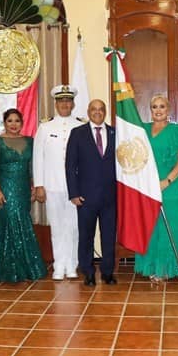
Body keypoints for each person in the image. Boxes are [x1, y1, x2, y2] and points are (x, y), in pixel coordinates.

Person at [0, 109, 47, 282]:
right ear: (4, 123)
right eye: (10, 121)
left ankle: (26, 267)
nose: (13, 124)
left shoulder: (30, 141)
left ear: (22, 123)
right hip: (6, 189)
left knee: (23, 222)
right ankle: (7, 269)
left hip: (23, 189)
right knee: (10, 223)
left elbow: (32, 166)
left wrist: (35, 186)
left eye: (17, 121)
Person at [135, 95, 178, 282]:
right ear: (150, 110)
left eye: (162, 107)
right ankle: (152, 266)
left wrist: (167, 181)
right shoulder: (142, 129)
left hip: (170, 186)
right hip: (147, 187)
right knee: (151, 227)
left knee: (171, 227)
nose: (158, 110)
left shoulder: (177, 131)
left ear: (168, 109)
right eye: (154, 107)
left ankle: (169, 268)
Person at [33, 85, 83, 280]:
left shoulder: (80, 126)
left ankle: (72, 264)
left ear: (73, 103)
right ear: (55, 103)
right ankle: (58, 264)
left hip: (75, 187)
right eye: (61, 101)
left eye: (68, 101)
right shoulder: (45, 127)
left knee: (73, 226)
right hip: (52, 185)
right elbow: (38, 157)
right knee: (57, 226)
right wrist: (39, 185)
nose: (65, 104)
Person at [66, 100, 117, 286]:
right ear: (88, 112)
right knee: (86, 235)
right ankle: (87, 271)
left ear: (105, 112)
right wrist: (73, 193)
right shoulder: (77, 134)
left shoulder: (115, 133)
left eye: (101, 109)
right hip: (85, 197)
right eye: (94, 109)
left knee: (109, 236)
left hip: (110, 197)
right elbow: (70, 166)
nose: (97, 112)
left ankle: (107, 272)